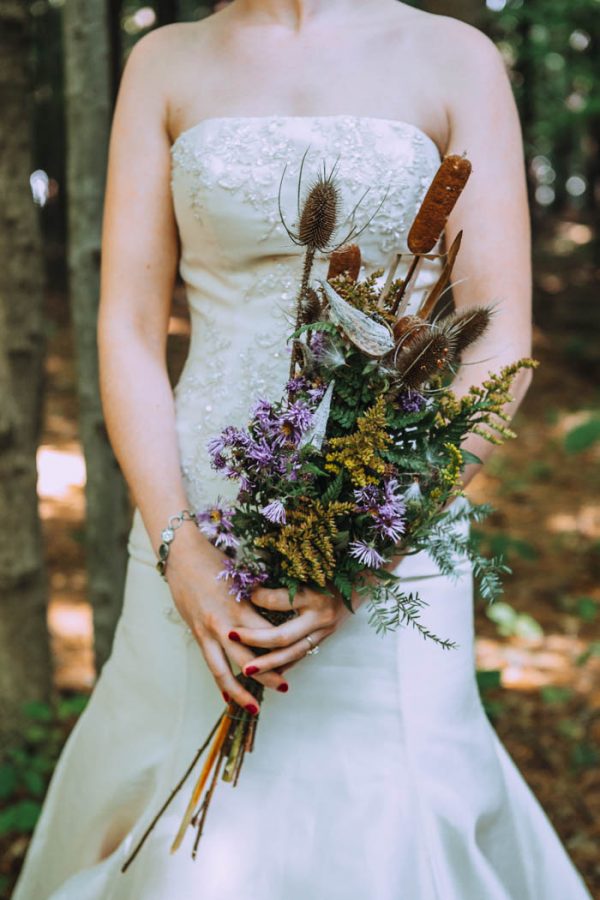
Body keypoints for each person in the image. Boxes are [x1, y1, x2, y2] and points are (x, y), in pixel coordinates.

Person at [13, 1, 593, 898]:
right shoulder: (163, 61)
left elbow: (501, 339)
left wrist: (376, 536)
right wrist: (178, 547)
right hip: (193, 509)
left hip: (395, 515)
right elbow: (127, 327)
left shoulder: (457, 58)